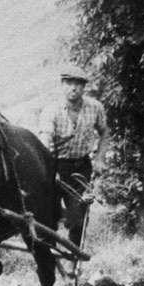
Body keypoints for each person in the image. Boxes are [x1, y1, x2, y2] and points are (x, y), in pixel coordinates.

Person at [38, 65, 109, 248]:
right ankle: (50, 260)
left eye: (78, 84)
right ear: (63, 85)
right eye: (69, 83)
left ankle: (72, 258)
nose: (73, 88)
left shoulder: (95, 107)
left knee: (78, 216)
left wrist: (100, 157)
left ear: (84, 87)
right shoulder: (51, 110)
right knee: (49, 217)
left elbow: (104, 131)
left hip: (80, 167)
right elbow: (44, 142)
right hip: (55, 165)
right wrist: (49, 171)